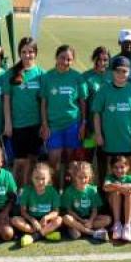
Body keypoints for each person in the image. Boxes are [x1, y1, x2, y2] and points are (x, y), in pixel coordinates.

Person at [92, 56, 131, 185]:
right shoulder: (104, 90)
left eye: (125, 71)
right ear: (112, 72)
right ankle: (112, 201)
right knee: (112, 171)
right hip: (110, 140)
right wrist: (98, 134)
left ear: (129, 72)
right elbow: (97, 114)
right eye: (118, 71)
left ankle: (129, 199)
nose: (121, 74)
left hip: (129, 140)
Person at [40, 44, 88, 188]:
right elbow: (43, 103)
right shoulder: (47, 77)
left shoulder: (77, 77)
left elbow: (82, 102)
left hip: (72, 125)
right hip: (54, 126)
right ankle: (53, 192)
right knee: (53, 161)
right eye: (62, 58)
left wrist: (83, 124)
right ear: (56, 57)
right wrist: (45, 124)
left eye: (69, 59)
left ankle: (68, 195)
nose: (65, 62)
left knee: (71, 164)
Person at [3, 37, 44, 188]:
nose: (27, 55)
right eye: (24, 52)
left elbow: (43, 102)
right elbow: (6, 100)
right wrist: (8, 123)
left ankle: (26, 192)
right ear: (19, 53)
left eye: (31, 52)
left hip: (35, 124)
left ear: (36, 53)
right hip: (18, 125)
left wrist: (43, 124)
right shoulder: (11, 74)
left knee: (32, 161)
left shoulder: (41, 74)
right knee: (19, 162)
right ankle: (14, 194)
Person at [12, 163, 63, 246]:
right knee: (14, 220)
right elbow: (23, 212)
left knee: (59, 220)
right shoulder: (27, 191)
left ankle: (34, 237)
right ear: (31, 178)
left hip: (46, 222)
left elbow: (56, 212)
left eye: (43, 178)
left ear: (49, 179)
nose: (40, 182)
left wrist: (47, 217)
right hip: (31, 221)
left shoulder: (53, 191)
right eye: (37, 178)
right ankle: (46, 233)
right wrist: (33, 221)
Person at [61, 161, 111, 241]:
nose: (83, 180)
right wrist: (81, 220)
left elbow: (95, 210)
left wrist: (90, 221)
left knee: (108, 219)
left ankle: (79, 229)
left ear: (89, 177)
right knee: (66, 218)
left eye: (86, 177)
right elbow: (69, 211)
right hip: (76, 219)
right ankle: (93, 233)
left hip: (89, 218)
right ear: (74, 176)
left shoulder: (92, 190)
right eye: (80, 177)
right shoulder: (69, 191)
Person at [81, 46, 111, 164]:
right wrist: (84, 123)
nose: (102, 63)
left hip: (107, 127)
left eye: (105, 60)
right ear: (94, 59)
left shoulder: (112, 76)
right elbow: (83, 102)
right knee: (87, 156)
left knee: (103, 158)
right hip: (91, 127)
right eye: (99, 59)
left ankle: (102, 182)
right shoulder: (86, 77)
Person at [103, 155, 131, 242]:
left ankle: (127, 226)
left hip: (128, 210)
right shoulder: (109, 177)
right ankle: (117, 225)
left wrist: (128, 185)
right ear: (111, 168)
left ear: (128, 167)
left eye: (122, 167)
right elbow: (105, 187)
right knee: (116, 191)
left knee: (130, 192)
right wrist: (119, 187)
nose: (119, 170)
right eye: (115, 167)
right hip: (114, 209)